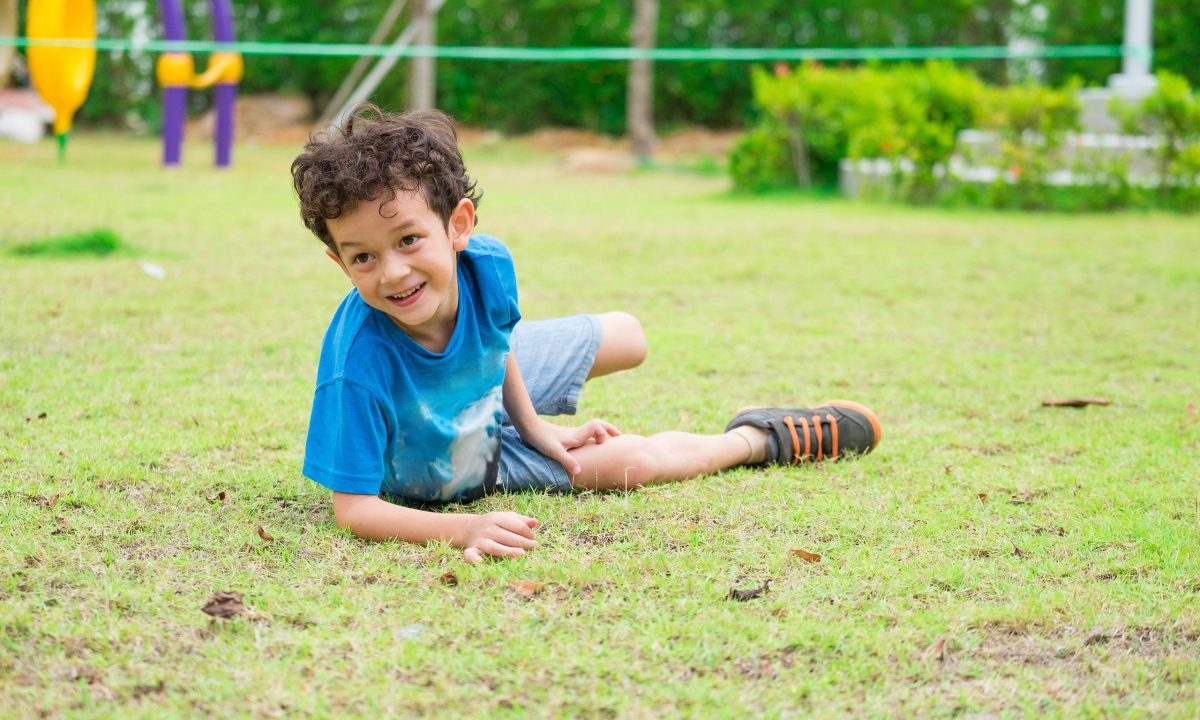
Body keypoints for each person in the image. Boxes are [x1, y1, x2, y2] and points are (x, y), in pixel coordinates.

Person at [291, 104, 882, 564]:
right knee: (636, 462)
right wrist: (460, 527)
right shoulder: (358, 366)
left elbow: (499, 345)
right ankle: (763, 437)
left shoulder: (486, 264)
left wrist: (538, 427)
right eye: (363, 257)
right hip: (455, 459)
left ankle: (532, 411)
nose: (392, 272)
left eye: (409, 241)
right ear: (339, 262)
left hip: (481, 389)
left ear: (458, 226)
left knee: (630, 336)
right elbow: (354, 510)